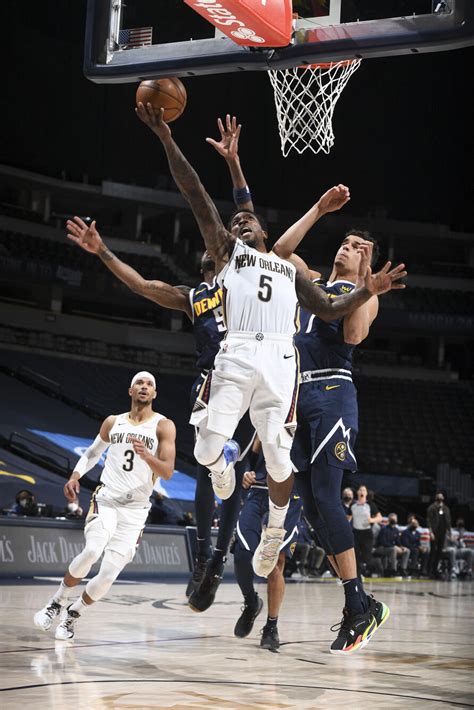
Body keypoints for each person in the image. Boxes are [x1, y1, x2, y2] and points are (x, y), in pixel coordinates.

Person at [136, 101, 407, 584]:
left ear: (264, 228)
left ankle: (274, 531)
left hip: (282, 360)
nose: (240, 225)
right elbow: (195, 190)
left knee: (280, 461)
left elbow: (328, 311)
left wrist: (368, 289)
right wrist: (165, 138)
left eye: (248, 222)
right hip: (238, 352)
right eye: (237, 223)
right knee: (203, 453)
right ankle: (225, 476)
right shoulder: (230, 253)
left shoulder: (289, 267)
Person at [66, 118, 255, 608]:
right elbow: (143, 286)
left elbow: (227, 207)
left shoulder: (251, 269)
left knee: (252, 469)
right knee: (209, 462)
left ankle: (224, 555)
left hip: (259, 373)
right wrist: (103, 250)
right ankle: (206, 558)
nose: (226, 239)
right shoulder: (195, 296)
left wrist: (232, 166)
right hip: (215, 381)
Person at [272, 218, 399, 653]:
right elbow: (281, 253)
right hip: (296, 397)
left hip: (332, 394)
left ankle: (357, 603)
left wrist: (368, 283)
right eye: (345, 243)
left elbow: (353, 334)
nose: (348, 248)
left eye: (359, 247)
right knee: (309, 508)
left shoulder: (364, 296)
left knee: (327, 497)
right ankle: (360, 603)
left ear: (368, 260)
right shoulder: (310, 283)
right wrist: (319, 212)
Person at [33, 371, 176, 640]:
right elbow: (92, 452)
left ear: (155, 394)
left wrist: (147, 456)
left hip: (136, 510)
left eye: (149, 385)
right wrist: (76, 475)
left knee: (109, 573)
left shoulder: (163, 426)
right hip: (107, 499)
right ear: (131, 391)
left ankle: (73, 615)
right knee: (92, 551)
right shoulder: (113, 422)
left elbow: (167, 471)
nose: (144, 387)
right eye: (139, 384)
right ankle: (56, 603)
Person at [231, 437, 302, 651]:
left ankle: (272, 626)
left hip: (290, 495)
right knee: (242, 554)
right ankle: (251, 601)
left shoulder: (307, 416)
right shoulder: (269, 408)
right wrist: (248, 472)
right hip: (259, 490)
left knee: (275, 563)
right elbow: (256, 446)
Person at [351, 485, 382, 578]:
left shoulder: (370, 505)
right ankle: (357, 576)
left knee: (367, 558)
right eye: (360, 490)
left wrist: (371, 520)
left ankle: (378, 564)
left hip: (367, 534)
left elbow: (379, 518)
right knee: (355, 556)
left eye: (363, 490)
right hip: (356, 533)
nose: (361, 491)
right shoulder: (353, 505)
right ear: (357, 492)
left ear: (366, 493)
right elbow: (348, 518)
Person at [427, 492, 452, 579]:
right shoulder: (432, 508)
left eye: (441, 497)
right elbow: (429, 521)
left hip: (442, 532)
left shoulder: (446, 508)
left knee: (439, 553)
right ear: (436, 498)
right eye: (438, 497)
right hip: (434, 532)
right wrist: (431, 532)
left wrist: (449, 532)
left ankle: (435, 570)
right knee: (433, 551)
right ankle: (429, 571)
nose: (440, 499)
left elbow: (448, 521)